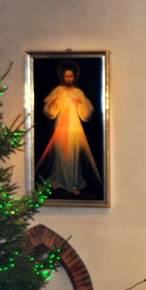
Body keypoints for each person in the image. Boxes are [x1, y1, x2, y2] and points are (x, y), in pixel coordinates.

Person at [36, 60, 101, 195]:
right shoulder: (58, 91)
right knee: (60, 153)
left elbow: (87, 110)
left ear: (74, 77)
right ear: (63, 76)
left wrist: (81, 103)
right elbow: (49, 110)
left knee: (72, 154)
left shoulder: (78, 92)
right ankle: (59, 180)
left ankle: (72, 182)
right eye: (67, 76)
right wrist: (54, 102)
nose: (69, 78)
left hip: (74, 127)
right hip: (61, 126)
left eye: (71, 76)